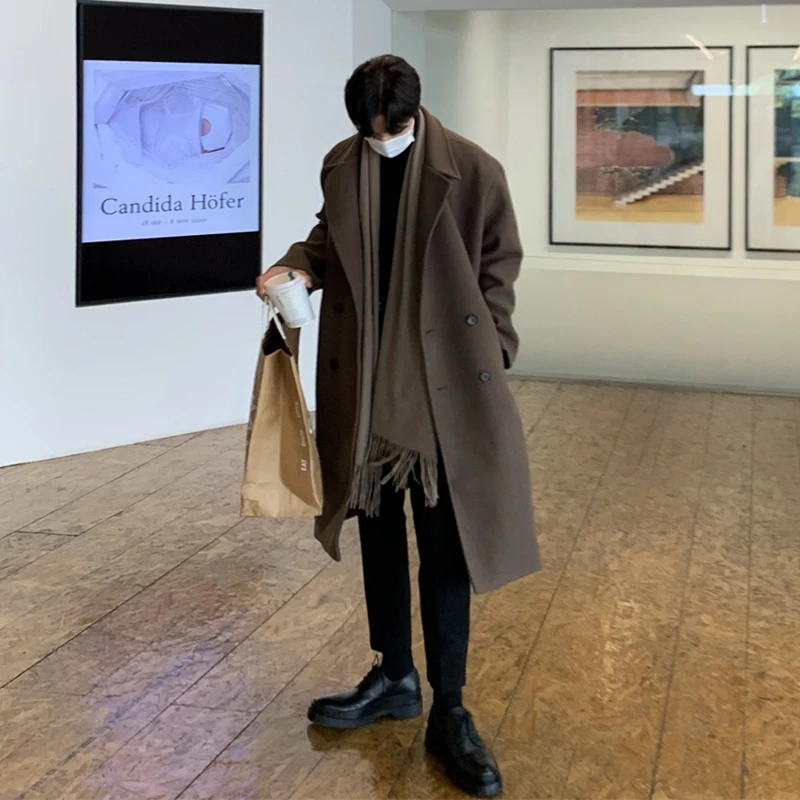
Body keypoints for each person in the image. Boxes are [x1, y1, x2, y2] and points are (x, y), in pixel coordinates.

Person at [257, 55, 540, 798]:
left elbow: (499, 263)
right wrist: (294, 268)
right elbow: (328, 241)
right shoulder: (342, 162)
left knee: (446, 552)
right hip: (365, 387)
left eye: (393, 128)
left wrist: (493, 347)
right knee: (378, 534)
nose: (382, 140)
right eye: (370, 131)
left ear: (415, 112)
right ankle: (394, 675)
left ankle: (451, 709)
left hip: (443, 390)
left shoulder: (472, 169)